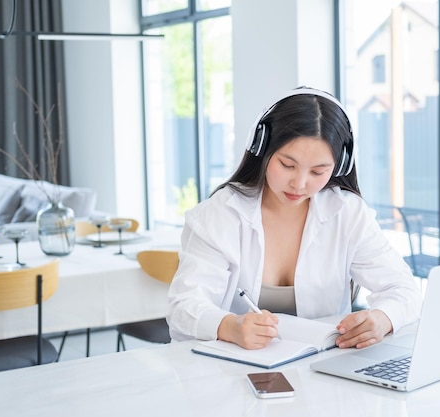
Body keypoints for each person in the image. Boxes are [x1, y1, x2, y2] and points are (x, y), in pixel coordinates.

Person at [167, 86, 422, 350]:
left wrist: (382, 319)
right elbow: (183, 308)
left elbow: (404, 289)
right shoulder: (220, 215)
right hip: (232, 371)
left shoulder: (347, 213)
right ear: (261, 148)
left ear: (339, 166)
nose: (299, 184)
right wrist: (228, 326)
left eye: (318, 171)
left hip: (324, 372)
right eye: (287, 165)